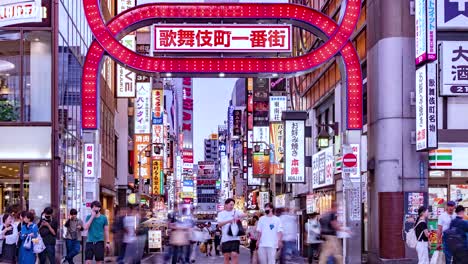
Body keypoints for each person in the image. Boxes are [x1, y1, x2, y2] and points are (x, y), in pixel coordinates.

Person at [217, 198, 246, 264]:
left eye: (233, 205)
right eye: (230, 204)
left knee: (234, 255)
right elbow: (219, 224)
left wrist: (240, 217)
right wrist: (229, 221)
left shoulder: (236, 211)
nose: (232, 206)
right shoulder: (221, 214)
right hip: (225, 238)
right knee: (226, 257)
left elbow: (244, 215)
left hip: (235, 237)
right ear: (226, 205)